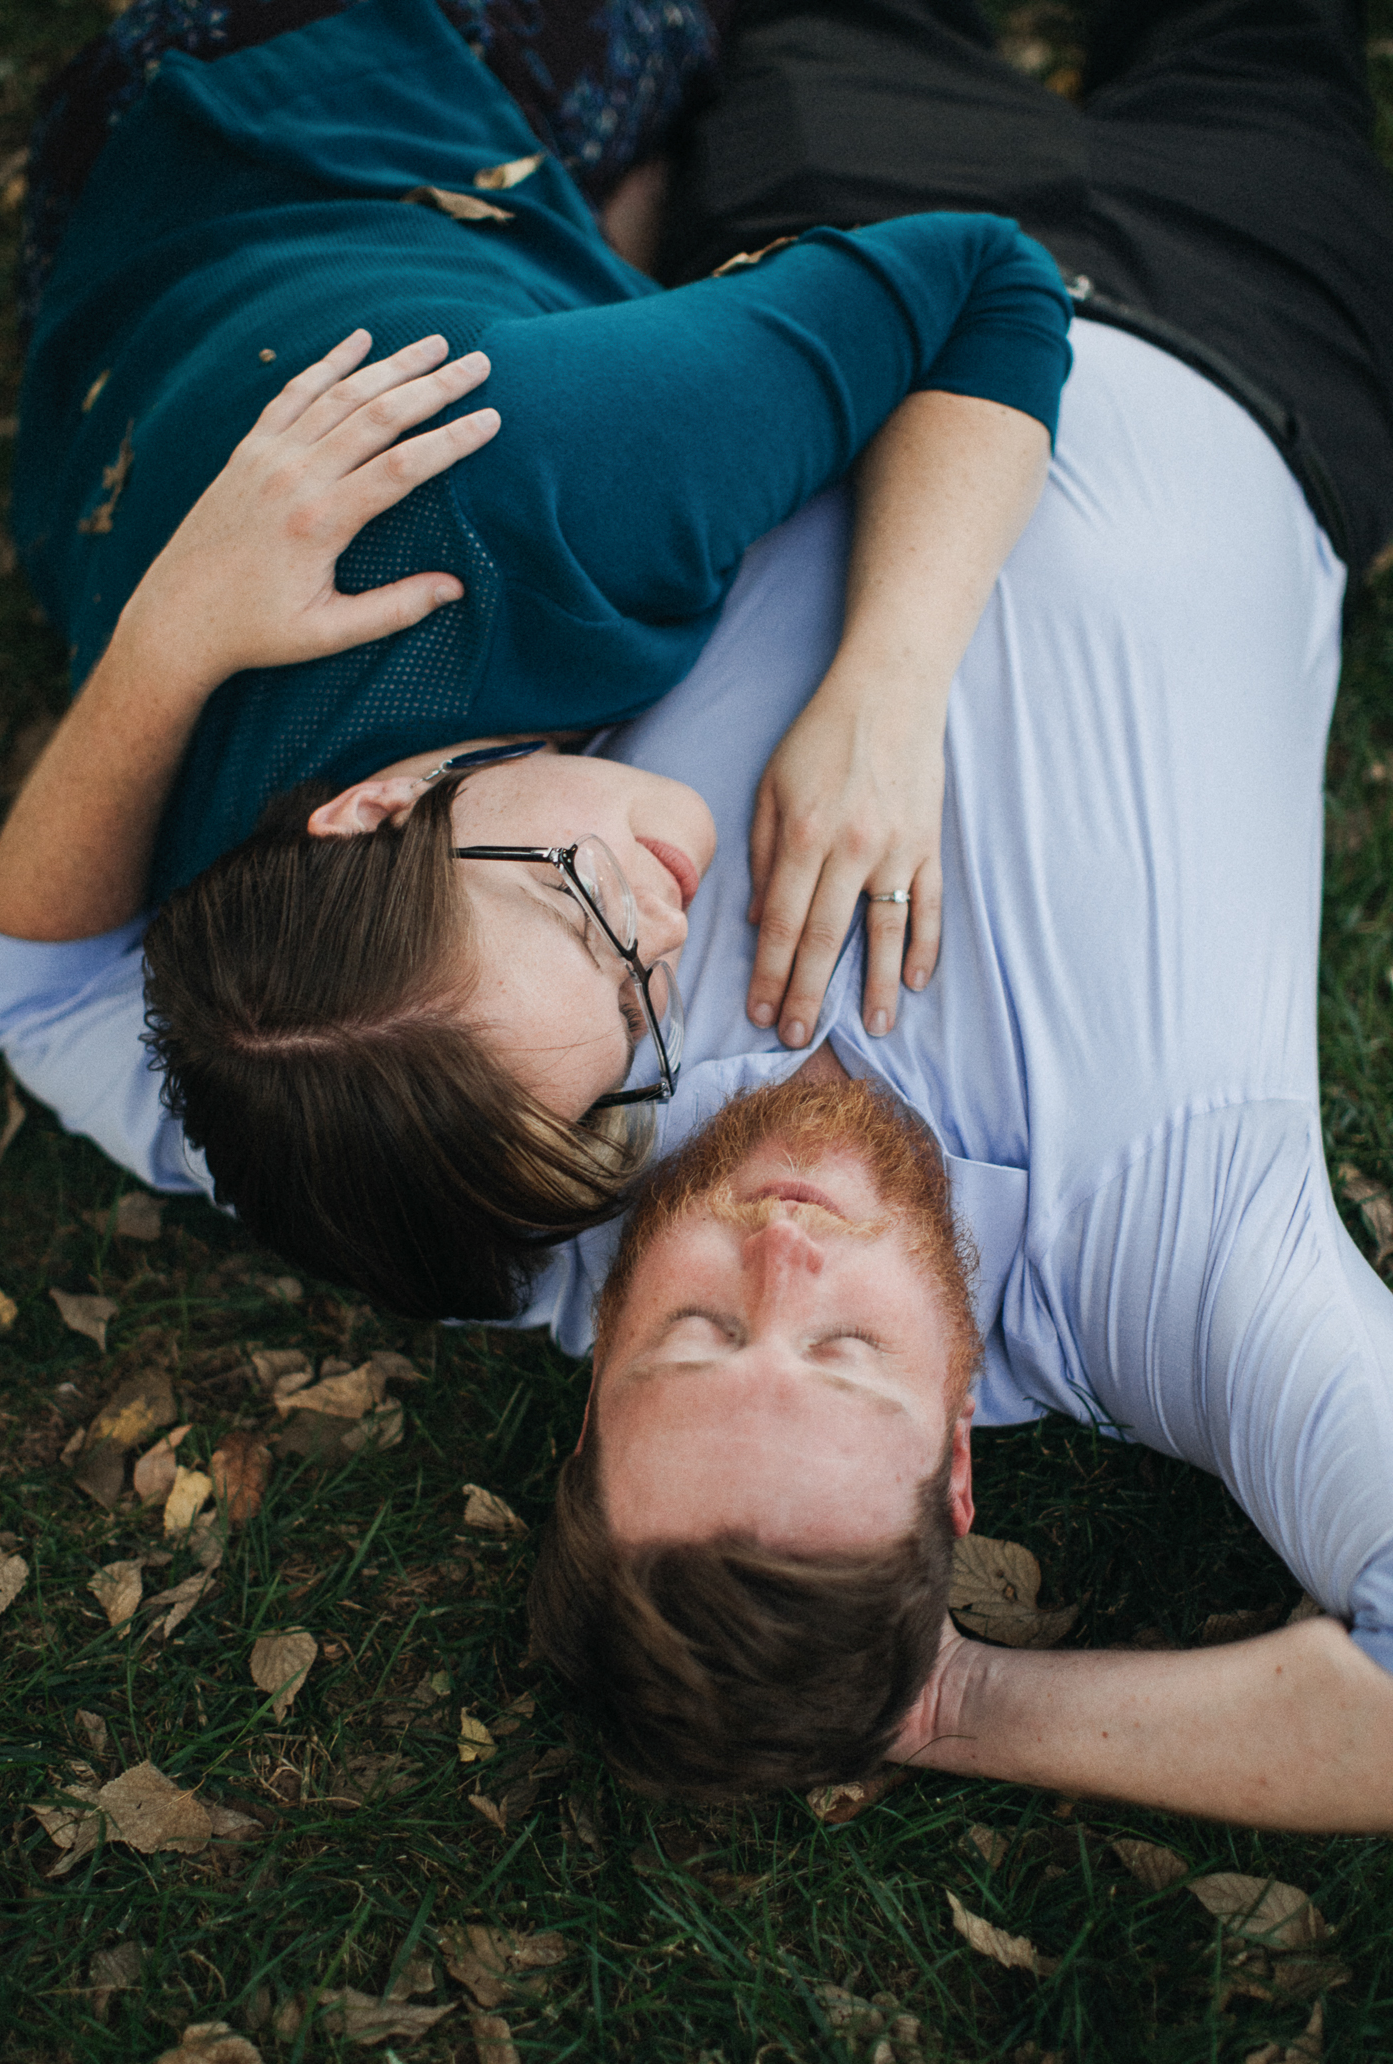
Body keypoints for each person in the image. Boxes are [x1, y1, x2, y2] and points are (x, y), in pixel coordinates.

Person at [519, 0, 1393, 1827]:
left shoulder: (526, 1152)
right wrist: (942, 1701)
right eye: (842, 1355)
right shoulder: (1176, 1281)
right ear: (958, 1471)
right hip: (1252, 318)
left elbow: (56, 1007)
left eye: (689, 1335)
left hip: (853, 254)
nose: (781, 1252)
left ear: (593, 1377)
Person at [0, 0, 1072, 1318]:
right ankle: (601, 244)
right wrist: (166, 640)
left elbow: (989, 281)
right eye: (637, 1017)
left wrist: (890, 686)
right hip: (132, 318)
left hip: (271, 75)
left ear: (370, 809)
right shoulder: (286, 1014)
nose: (665, 932)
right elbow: (20, 1001)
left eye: (578, 912)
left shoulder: (557, 484)